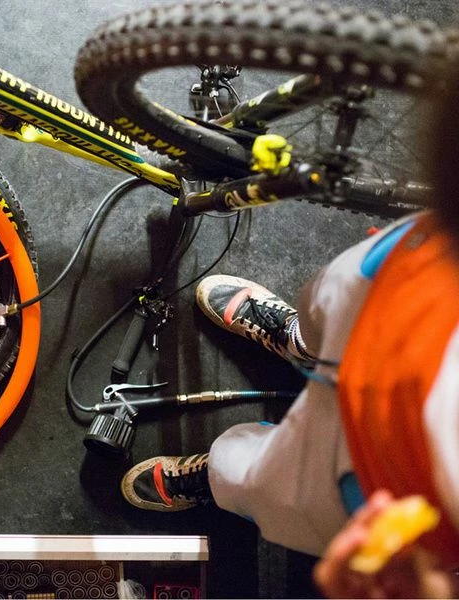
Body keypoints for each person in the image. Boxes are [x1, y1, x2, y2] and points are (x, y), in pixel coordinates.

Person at [119, 73, 459, 597]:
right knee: (332, 300)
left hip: (400, 487)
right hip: (416, 283)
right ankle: (299, 343)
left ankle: (222, 475)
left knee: (271, 486)